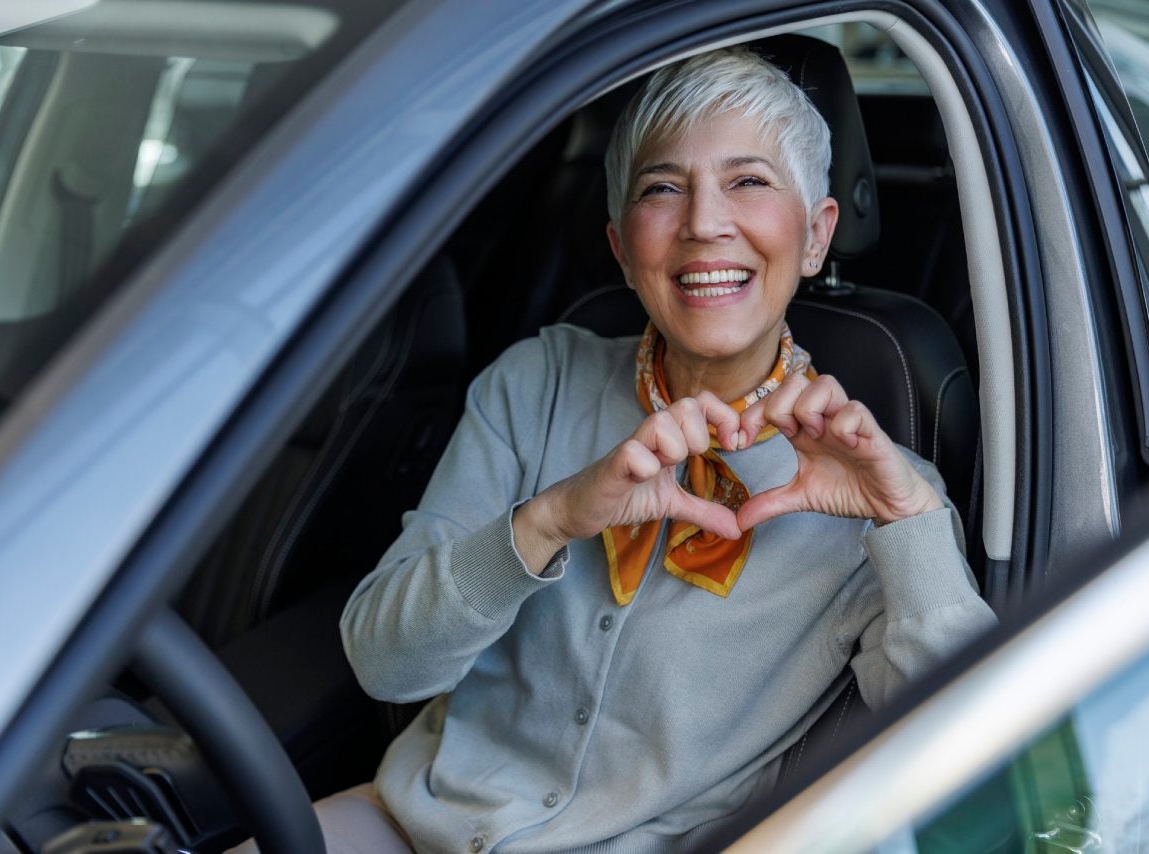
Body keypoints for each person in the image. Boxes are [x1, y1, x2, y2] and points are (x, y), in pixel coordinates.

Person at [232, 45, 996, 854]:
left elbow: (978, 765)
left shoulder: (876, 487)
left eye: (749, 181)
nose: (704, 223)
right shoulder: (537, 381)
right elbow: (385, 665)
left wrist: (907, 518)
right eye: (662, 188)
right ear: (624, 248)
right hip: (408, 826)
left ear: (816, 236)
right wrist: (549, 520)